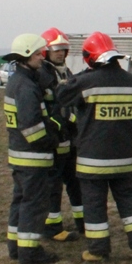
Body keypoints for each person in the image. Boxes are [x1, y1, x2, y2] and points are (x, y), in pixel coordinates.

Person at [59, 32, 132, 263]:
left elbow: (61, 96)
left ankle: (98, 250)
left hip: (92, 161)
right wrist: (126, 134)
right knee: (130, 202)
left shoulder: (86, 81)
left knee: (94, 206)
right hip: (123, 159)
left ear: (90, 58)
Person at [3, 33, 60, 264]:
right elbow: (32, 128)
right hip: (32, 158)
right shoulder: (26, 86)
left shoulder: (18, 80)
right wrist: (53, 140)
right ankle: (29, 253)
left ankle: (15, 247)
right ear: (26, 56)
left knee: (20, 201)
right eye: (38, 53)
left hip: (19, 155)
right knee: (34, 204)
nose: (42, 56)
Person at [38, 27, 83, 242]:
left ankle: (83, 222)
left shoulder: (65, 71)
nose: (60, 53)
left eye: (63, 49)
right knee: (53, 185)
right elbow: (53, 108)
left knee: (75, 182)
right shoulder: (44, 74)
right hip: (55, 140)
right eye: (55, 49)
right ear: (46, 51)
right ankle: (53, 228)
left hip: (70, 139)